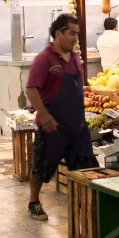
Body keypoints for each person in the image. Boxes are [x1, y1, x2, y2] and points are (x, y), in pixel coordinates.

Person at [26, 13, 96, 220]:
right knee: (42, 167)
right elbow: (31, 89)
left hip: (77, 127)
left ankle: (85, 207)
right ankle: (34, 202)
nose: (76, 38)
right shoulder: (44, 59)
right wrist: (44, 115)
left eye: (77, 34)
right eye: (72, 34)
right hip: (53, 126)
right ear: (59, 33)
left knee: (86, 167)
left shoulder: (75, 58)